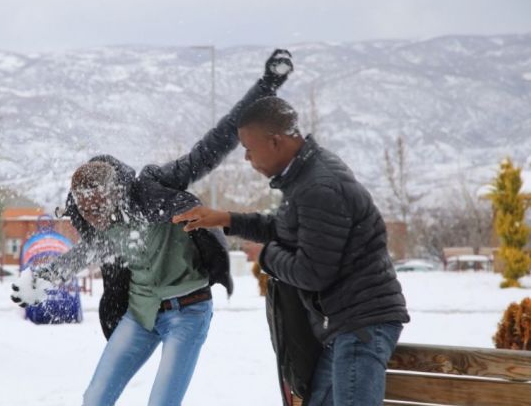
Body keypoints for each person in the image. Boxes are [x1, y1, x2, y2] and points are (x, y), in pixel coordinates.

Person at [10, 50, 294, 406]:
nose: (95, 216)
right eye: (86, 209)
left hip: (188, 312)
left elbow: (216, 141)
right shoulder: (98, 221)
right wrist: (43, 277)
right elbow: (86, 252)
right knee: (95, 398)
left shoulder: (155, 187)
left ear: (115, 193)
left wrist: (266, 86)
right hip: (140, 313)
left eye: (100, 206)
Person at [172, 96, 410, 405]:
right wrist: (227, 219)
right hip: (347, 325)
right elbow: (285, 228)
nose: (246, 158)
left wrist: (266, 255)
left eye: (248, 148)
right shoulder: (308, 175)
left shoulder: (318, 186)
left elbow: (312, 273)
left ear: (275, 141)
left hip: (361, 324)